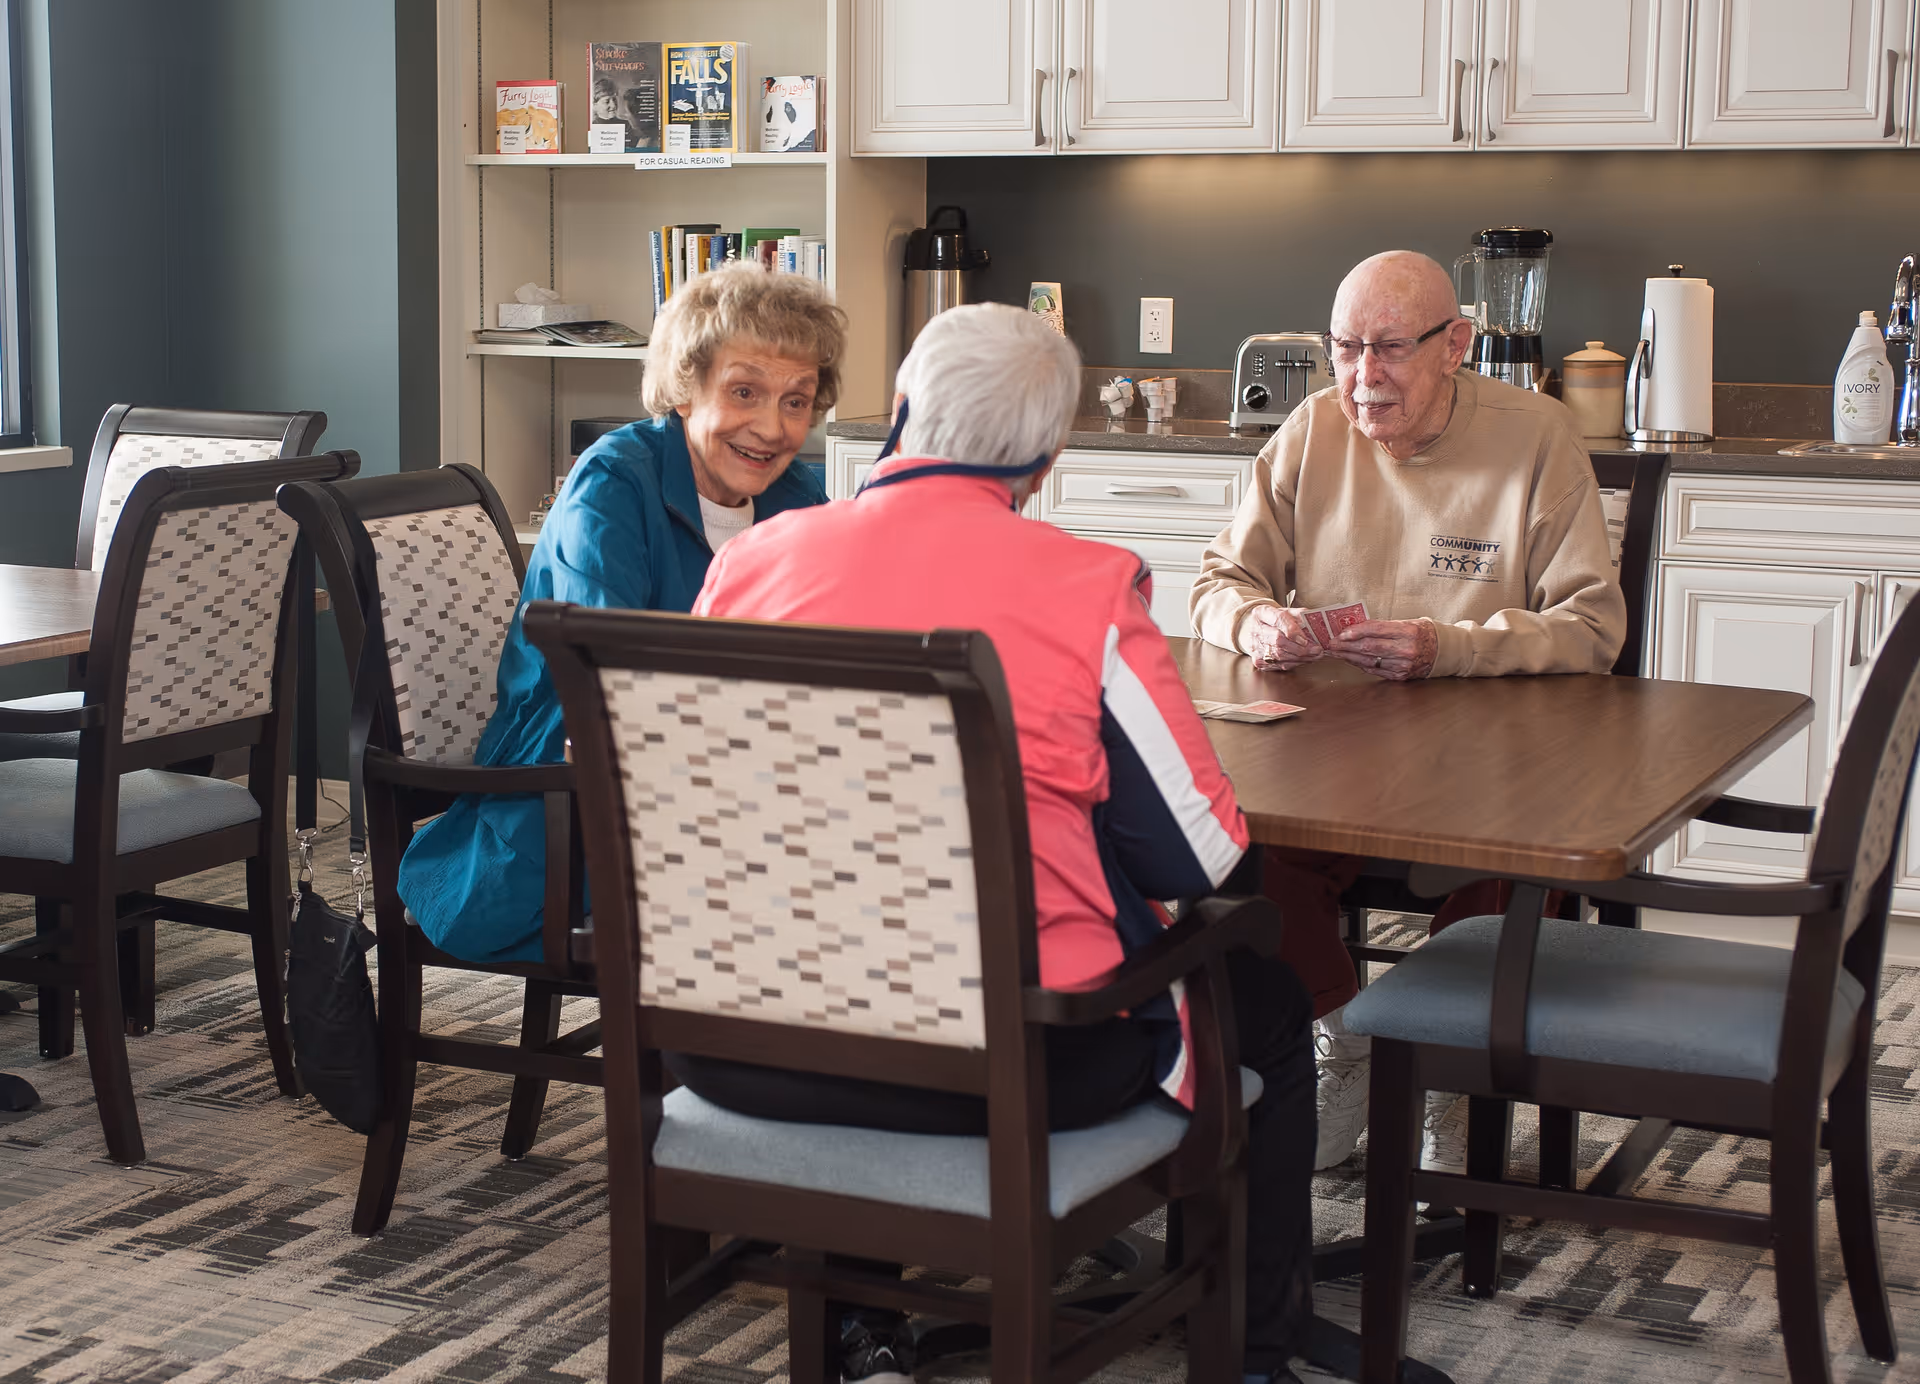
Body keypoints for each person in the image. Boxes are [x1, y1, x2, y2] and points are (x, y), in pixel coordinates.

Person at [692, 304, 1318, 1384]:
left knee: (856, 934)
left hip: (745, 1044)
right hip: (1021, 1067)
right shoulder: (1085, 587)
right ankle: (1261, 1355)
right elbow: (1197, 859)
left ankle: (857, 1324)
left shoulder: (753, 563)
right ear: (1049, 456)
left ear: (898, 414)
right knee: (1266, 999)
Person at [1189, 249, 1627, 1177]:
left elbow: (1592, 625)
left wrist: (1451, 646)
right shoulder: (1312, 430)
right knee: (1226, 839)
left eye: (1388, 349)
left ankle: (1456, 1079)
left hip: (1487, 757)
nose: (1362, 377)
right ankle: (1343, 1033)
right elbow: (1217, 580)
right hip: (1328, 748)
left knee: (1515, 861)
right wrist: (1256, 620)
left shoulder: (1538, 436)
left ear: (1455, 345)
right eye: (1344, 348)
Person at [397, 264, 845, 963]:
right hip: (575, 789)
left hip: (728, 779)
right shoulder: (614, 480)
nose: (771, 426)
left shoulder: (796, 493)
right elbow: (615, 672)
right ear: (686, 386)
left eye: (797, 401)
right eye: (745, 391)